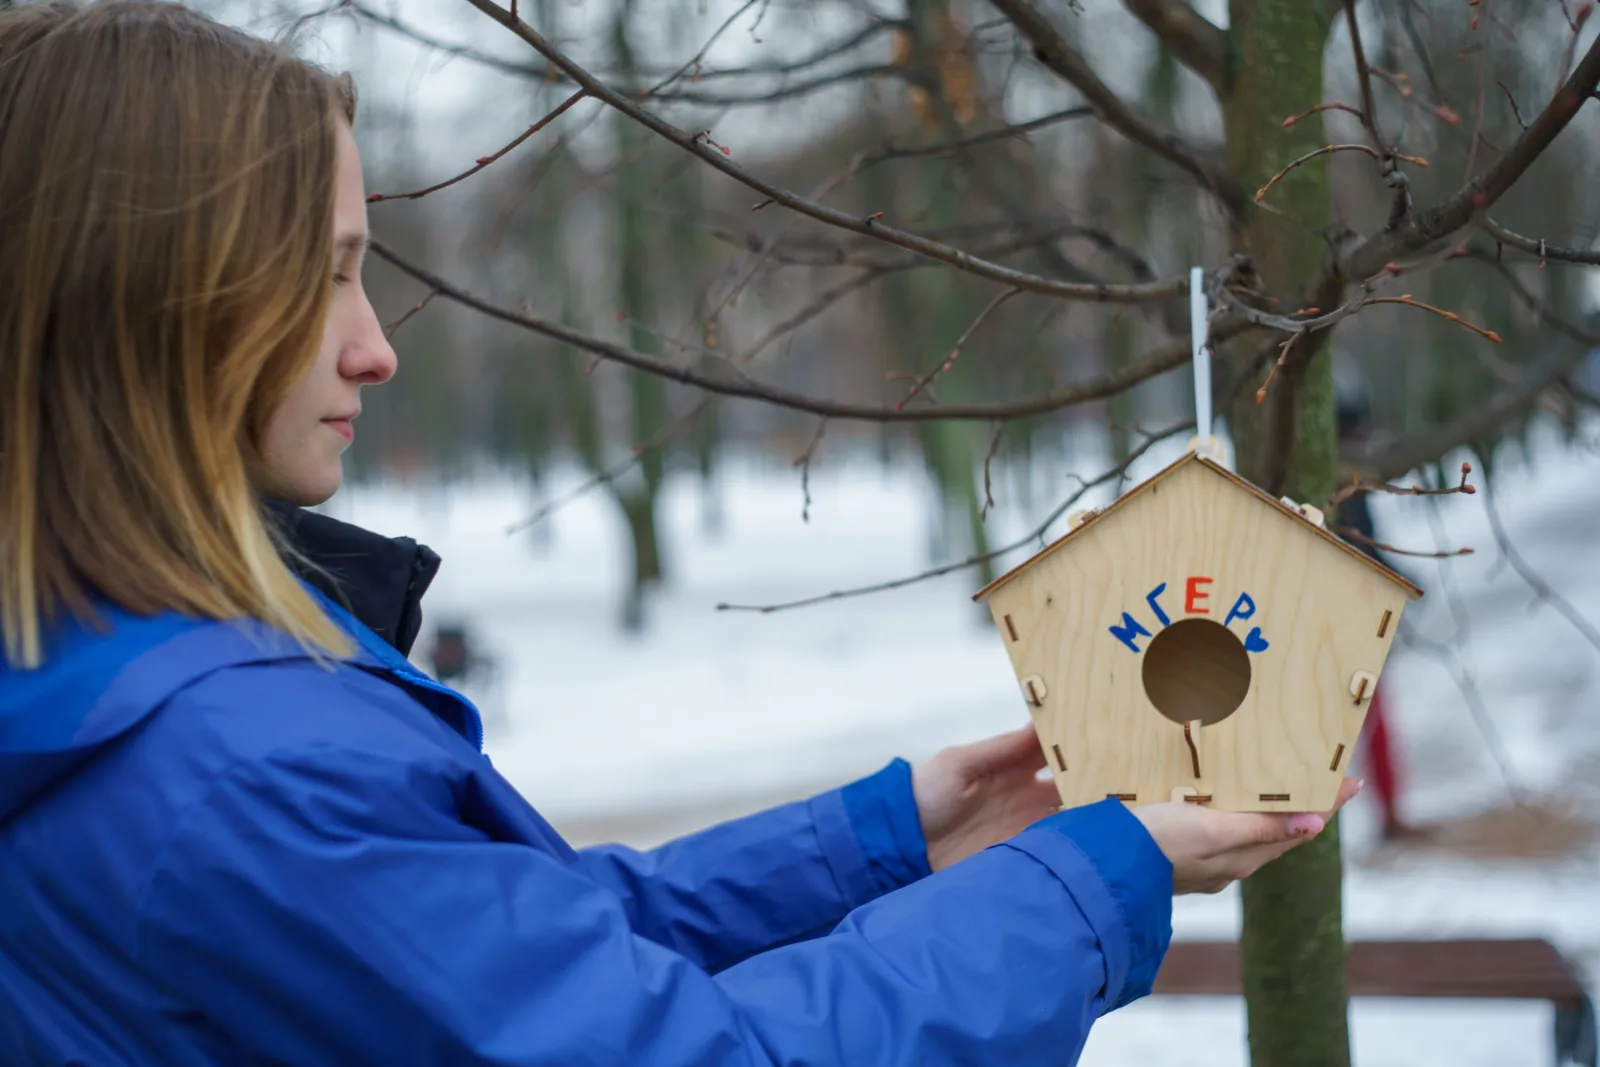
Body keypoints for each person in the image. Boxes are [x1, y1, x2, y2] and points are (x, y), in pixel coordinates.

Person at [0, 4, 1358, 1065]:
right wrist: (1095, 871)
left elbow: (529, 960)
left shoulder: (102, 684)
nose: (374, 351)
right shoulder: (232, 780)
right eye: (331, 275)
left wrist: (897, 831)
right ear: (159, 304)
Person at [1336, 393, 1422, 842]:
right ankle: (1385, 813)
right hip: (1349, 620)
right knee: (1364, 720)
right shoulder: (1346, 481)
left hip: (1351, 615)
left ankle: (1388, 812)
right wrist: (1396, 578)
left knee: (1364, 720)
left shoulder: (1345, 477)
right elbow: (1365, 546)